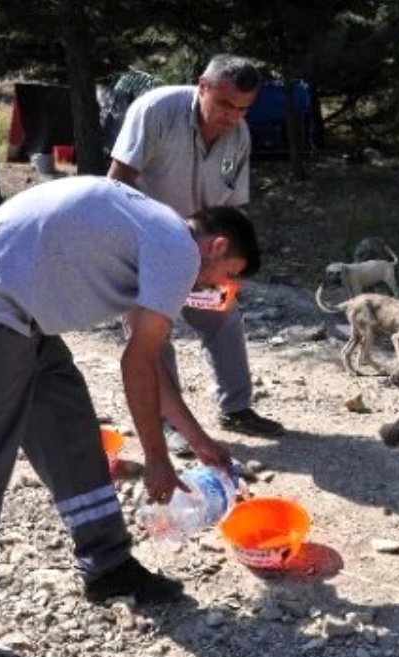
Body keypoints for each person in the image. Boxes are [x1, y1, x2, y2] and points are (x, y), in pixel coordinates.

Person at [0, 176, 260, 657]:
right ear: (218, 244)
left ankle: (107, 565)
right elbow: (136, 362)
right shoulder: (177, 250)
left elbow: (148, 362)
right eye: (226, 273)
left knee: (72, 437)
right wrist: (157, 459)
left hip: (24, 318)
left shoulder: (154, 231)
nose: (214, 286)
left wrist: (198, 441)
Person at [108, 53, 283, 445]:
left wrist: (227, 266)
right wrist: (147, 246)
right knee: (152, 334)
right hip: (146, 243)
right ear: (202, 86)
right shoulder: (156, 110)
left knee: (224, 315)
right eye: (225, 104)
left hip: (205, 249)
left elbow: (231, 207)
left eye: (243, 109)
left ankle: (236, 408)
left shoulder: (239, 135)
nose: (233, 117)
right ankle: (170, 424)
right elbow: (117, 184)